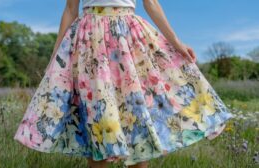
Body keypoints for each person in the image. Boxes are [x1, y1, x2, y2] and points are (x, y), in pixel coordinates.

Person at [13, 0, 234, 168]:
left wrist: (176, 42)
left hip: (129, 39)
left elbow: (151, 2)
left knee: (137, 114)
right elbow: (71, 9)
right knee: (97, 119)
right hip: (90, 41)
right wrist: (55, 55)